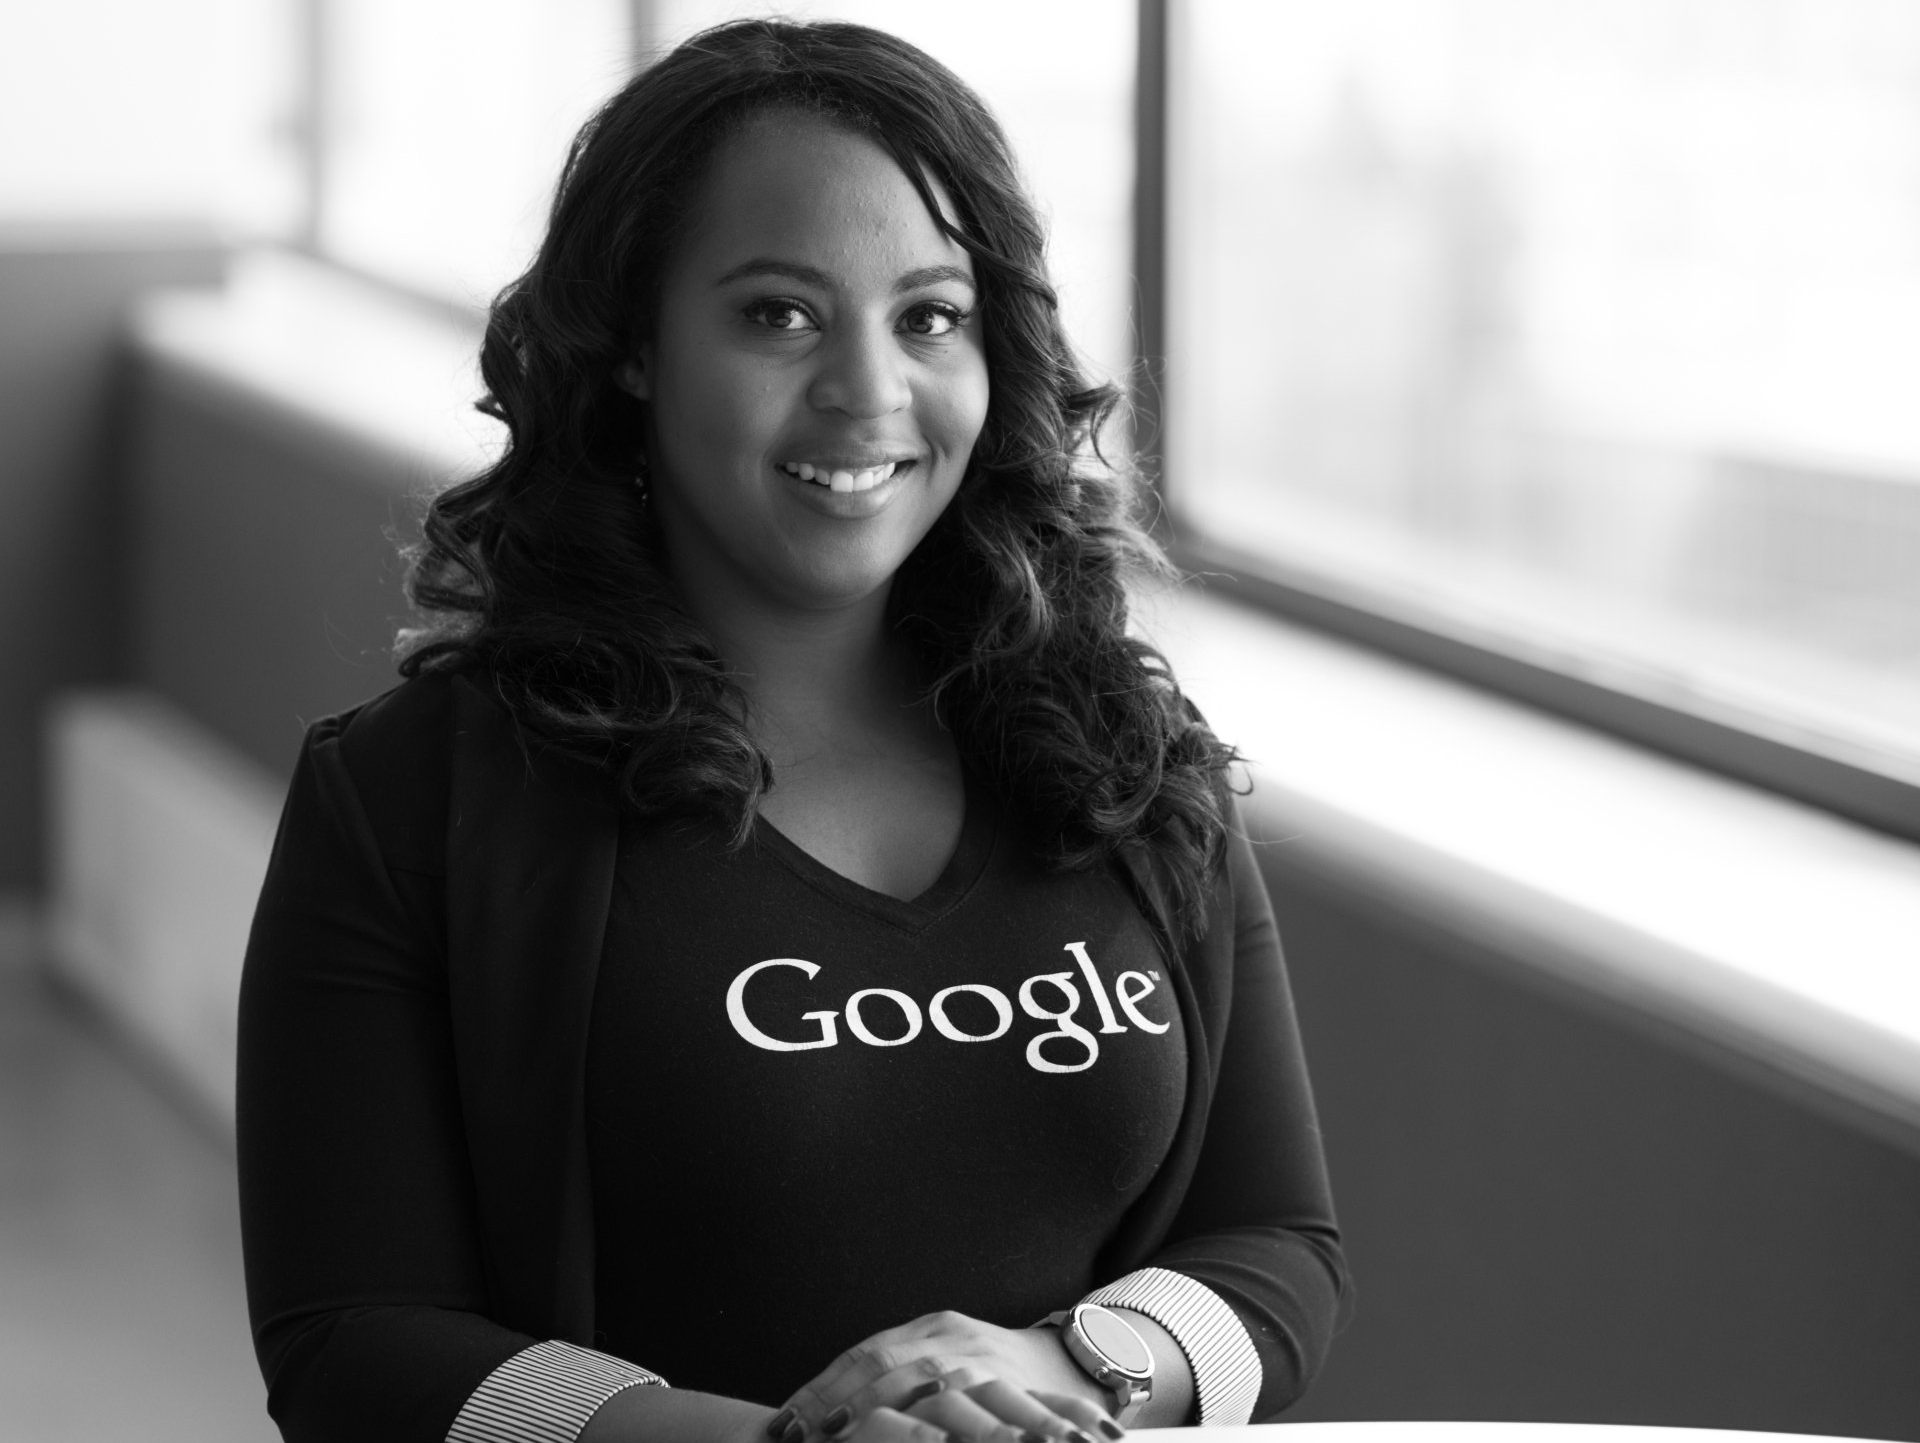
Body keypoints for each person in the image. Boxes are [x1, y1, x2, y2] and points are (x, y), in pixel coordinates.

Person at [236, 18, 1348, 1443]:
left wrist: (1062, 1369)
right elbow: (351, 1341)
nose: (868, 391)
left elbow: (1280, 1245)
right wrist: (780, 1442)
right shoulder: (415, 798)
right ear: (633, 345)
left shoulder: (1123, 748)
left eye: (929, 315)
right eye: (778, 313)